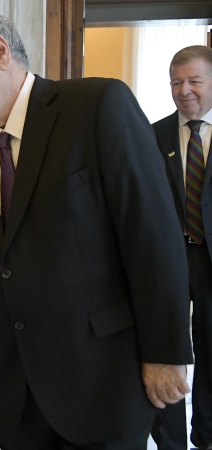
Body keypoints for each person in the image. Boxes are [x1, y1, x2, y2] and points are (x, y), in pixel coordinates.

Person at [0, 11, 193, 449]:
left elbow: (152, 235)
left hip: (102, 380)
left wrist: (165, 352)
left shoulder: (97, 107)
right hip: (17, 392)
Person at [151, 45, 212, 450]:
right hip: (165, 262)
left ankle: (206, 438)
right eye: (176, 82)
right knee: (166, 351)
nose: (184, 90)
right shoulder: (149, 135)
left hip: (209, 261)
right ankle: (170, 443)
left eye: (194, 81)